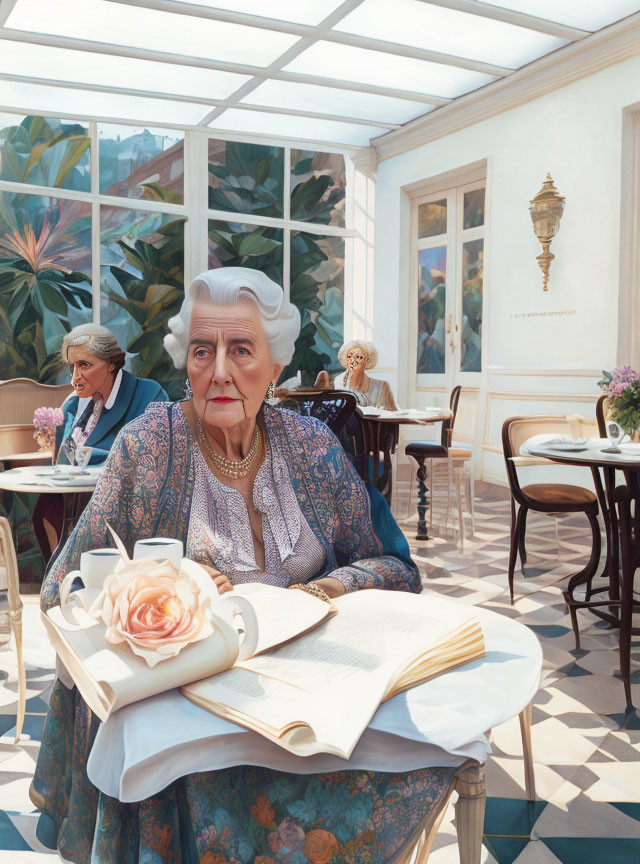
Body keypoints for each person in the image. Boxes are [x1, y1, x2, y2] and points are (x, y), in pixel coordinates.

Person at [32, 267, 454, 864]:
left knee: (416, 750)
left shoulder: (312, 448)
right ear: (186, 360)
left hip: (314, 709)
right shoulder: (147, 449)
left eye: (242, 349)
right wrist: (177, 589)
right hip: (195, 736)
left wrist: (329, 586)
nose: (220, 371)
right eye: (203, 350)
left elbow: (397, 566)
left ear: (277, 363)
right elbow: (62, 594)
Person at [55, 323, 169, 465]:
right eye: (72, 367)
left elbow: (150, 461)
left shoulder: (148, 396)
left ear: (111, 364)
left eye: (84, 364)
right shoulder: (72, 405)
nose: (75, 377)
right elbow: (56, 462)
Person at [334, 339, 397, 410]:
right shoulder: (338, 382)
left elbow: (392, 414)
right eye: (349, 356)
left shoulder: (382, 387)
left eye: (358, 357)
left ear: (367, 360)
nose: (353, 360)